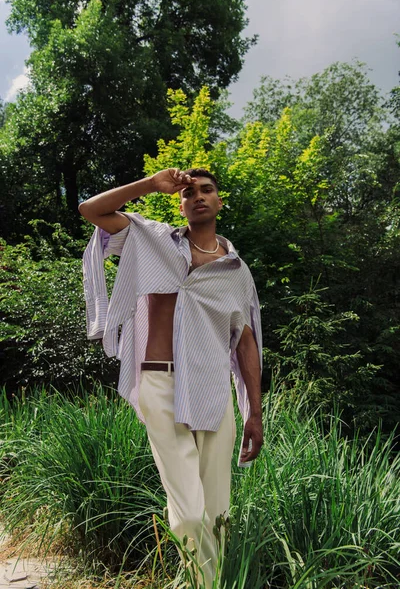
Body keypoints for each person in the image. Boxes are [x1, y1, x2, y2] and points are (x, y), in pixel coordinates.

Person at [79, 167, 263, 587]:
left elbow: (246, 343)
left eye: (207, 190)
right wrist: (150, 184)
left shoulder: (237, 271)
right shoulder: (151, 239)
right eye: (189, 192)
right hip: (159, 384)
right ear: (179, 203)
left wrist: (254, 412)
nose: (198, 196)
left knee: (215, 514)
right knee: (191, 510)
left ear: (219, 201)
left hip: (214, 390)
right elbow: (90, 209)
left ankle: (203, 583)